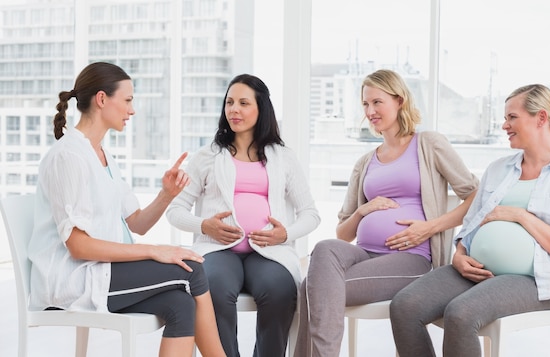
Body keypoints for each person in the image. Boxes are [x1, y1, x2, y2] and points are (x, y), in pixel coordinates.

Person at [28, 62, 226, 357]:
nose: (132, 110)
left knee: (181, 304)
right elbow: (79, 246)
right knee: (192, 270)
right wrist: (153, 251)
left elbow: (137, 223)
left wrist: (166, 195)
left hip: (103, 271)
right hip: (76, 279)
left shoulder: (103, 155)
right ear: (102, 99)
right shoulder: (69, 156)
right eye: (128, 100)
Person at [389, 84, 550, 357]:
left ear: (541, 118)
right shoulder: (498, 169)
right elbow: (472, 224)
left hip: (534, 281)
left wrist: (520, 216)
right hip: (475, 270)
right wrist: (460, 254)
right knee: (404, 305)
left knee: (461, 313)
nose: (504, 125)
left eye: (512, 117)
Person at [294, 69, 479, 357]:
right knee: (324, 248)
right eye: (365, 104)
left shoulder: (429, 144)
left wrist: (429, 228)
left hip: (410, 258)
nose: (370, 111)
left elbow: (475, 195)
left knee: (311, 287)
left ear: (399, 100)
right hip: (363, 253)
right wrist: (363, 210)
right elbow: (343, 234)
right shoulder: (365, 162)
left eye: (377, 102)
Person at [166, 73, 321, 357]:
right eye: (229, 102)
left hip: (269, 252)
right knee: (212, 289)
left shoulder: (283, 157)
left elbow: (311, 214)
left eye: (243, 103)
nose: (234, 109)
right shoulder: (208, 156)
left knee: (280, 291)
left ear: (261, 108)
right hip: (217, 251)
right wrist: (205, 226)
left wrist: (285, 234)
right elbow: (175, 212)